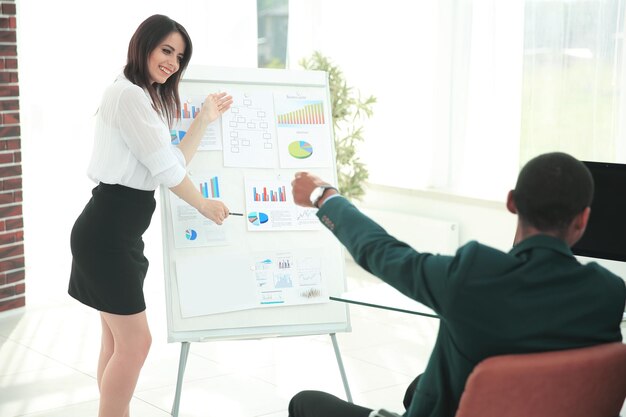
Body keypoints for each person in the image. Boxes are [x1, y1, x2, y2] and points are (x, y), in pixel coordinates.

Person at [289, 152, 626, 417]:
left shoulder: (473, 276)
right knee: (418, 387)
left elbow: (381, 252)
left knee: (306, 402)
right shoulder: (608, 294)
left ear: (511, 202)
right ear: (583, 219)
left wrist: (324, 195)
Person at [68, 15, 233, 417]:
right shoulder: (129, 96)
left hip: (117, 231)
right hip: (107, 231)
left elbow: (170, 161)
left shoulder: (143, 97)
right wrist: (203, 204)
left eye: (179, 56)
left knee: (116, 342)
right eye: (166, 50)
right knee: (135, 343)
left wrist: (202, 120)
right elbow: (168, 171)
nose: (172, 62)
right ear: (144, 45)